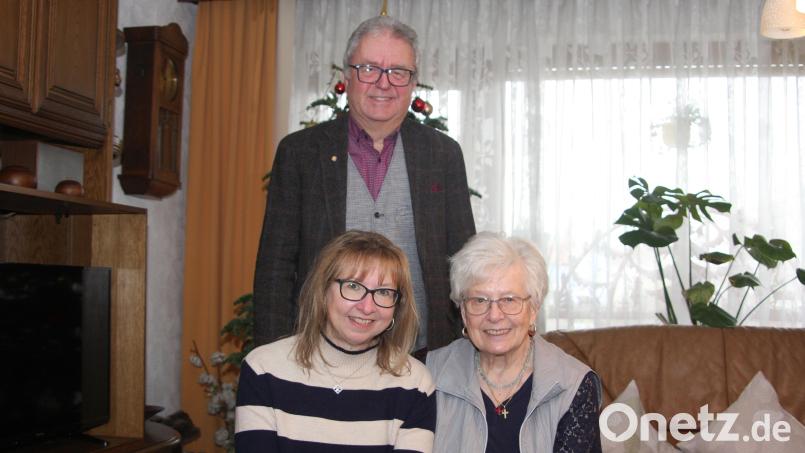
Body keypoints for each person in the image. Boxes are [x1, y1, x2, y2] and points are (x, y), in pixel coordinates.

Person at [253, 15, 476, 354]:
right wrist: (273, 360)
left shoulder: (443, 155)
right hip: (320, 356)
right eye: (369, 68)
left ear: (413, 81)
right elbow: (275, 266)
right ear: (347, 75)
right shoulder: (300, 153)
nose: (384, 84)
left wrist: (467, 352)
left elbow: (465, 263)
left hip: (425, 357)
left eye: (398, 71)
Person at [236, 230, 436, 452]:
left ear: (397, 305)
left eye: (383, 292)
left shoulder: (414, 382)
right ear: (322, 291)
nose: (367, 307)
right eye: (352, 286)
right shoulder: (264, 369)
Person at [426, 232, 602, 453]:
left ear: (534, 309)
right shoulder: (428, 374)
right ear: (462, 310)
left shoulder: (574, 384)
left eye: (509, 299)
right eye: (479, 300)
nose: (495, 315)